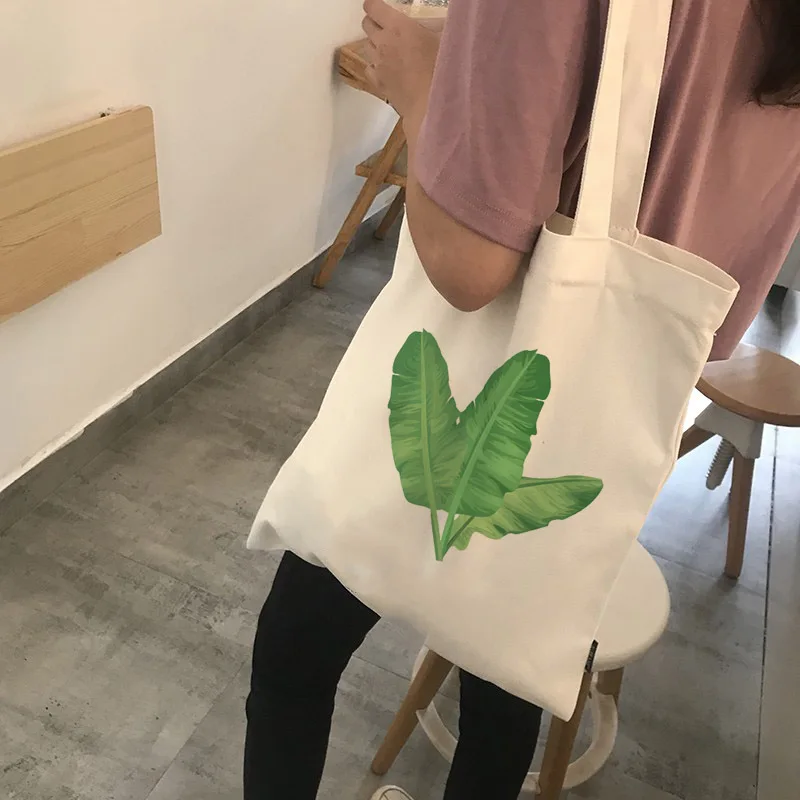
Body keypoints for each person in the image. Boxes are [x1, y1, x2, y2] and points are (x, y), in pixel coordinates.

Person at [244, 1, 800, 798]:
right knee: (505, 683)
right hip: (600, 411)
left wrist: (421, 85)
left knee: (295, 655)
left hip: (467, 382)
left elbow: (467, 267)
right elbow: (721, 326)